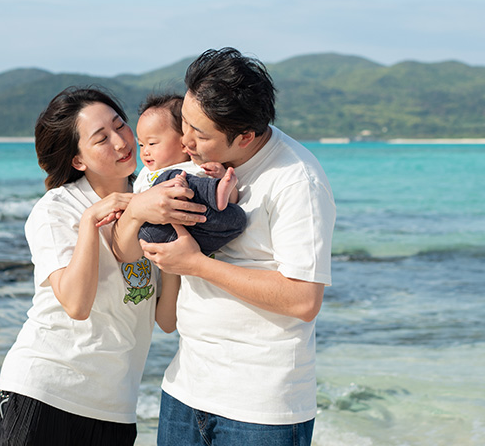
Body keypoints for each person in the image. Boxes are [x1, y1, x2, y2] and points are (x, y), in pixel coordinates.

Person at [113, 48, 336, 445]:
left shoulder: (296, 180)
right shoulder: (195, 165)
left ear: (246, 136)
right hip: (185, 387)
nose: (185, 141)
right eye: (185, 125)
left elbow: (304, 299)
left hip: (260, 408)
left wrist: (196, 265)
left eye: (200, 135)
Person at [0, 87, 177, 446]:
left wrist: (174, 243)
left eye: (120, 125)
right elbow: (76, 304)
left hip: (115, 409)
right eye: (101, 138)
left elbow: (166, 320)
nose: (122, 142)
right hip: (45, 393)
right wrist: (92, 220)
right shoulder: (57, 209)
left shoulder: (152, 201)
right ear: (78, 160)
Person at [135, 93, 246, 256]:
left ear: (183, 143)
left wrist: (222, 177)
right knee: (169, 179)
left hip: (198, 232)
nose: (145, 151)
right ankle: (182, 191)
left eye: (152, 144)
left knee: (239, 217)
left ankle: (213, 190)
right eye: (141, 144)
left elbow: (232, 200)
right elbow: (137, 204)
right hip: (161, 232)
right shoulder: (146, 174)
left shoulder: (199, 166)